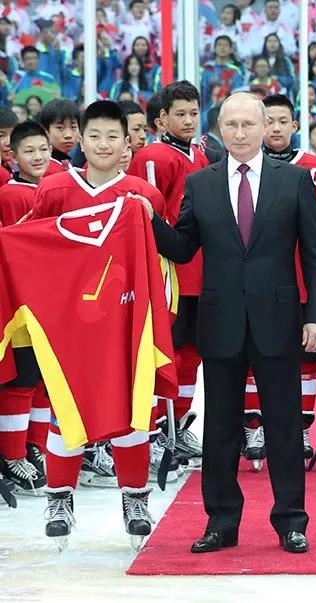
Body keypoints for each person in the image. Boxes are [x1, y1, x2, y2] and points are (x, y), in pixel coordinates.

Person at [145, 92, 316, 554]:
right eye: (232, 125)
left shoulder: (294, 181)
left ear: (266, 126)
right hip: (221, 321)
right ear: (220, 130)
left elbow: (315, 256)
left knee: (284, 426)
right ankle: (221, 522)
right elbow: (184, 246)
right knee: (221, 428)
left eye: (250, 124)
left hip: (280, 320)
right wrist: (146, 219)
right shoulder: (201, 183)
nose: (241, 133)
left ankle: (291, 521)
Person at [29, 100, 168, 548]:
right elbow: (32, 248)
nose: (104, 144)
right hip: (69, 325)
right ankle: (59, 498)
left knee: (134, 411)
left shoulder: (143, 197)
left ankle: (134, 497)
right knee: (65, 408)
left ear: (127, 143)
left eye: (114, 136)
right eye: (95, 136)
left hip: (126, 322)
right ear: (80, 141)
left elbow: (160, 262)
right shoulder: (53, 191)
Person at [242, 93, 316, 460]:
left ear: (295, 125)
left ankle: (299, 430)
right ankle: (254, 429)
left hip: (301, 281)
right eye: (269, 121)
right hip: (259, 283)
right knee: (253, 356)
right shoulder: (245, 167)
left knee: (306, 358)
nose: (276, 128)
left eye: (283, 121)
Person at [128, 81, 210, 472]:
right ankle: (156, 431)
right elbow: (144, 216)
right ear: (161, 118)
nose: (189, 120)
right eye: (180, 113)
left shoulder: (200, 153)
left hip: (200, 270)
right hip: (168, 272)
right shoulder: (154, 155)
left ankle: (177, 424)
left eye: (194, 112)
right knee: (164, 353)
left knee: (191, 353)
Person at [0, 121, 52, 497]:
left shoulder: (54, 189)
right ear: (13, 156)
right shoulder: (10, 195)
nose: (37, 157)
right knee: (21, 377)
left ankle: (35, 446)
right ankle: (12, 453)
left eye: (43, 150)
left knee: (44, 378)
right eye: (29, 151)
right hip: (20, 302)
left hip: (51, 300)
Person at [36, 99, 80, 176]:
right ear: (45, 131)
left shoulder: (64, 163)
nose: (68, 135)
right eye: (60, 128)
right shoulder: (43, 168)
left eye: (73, 127)